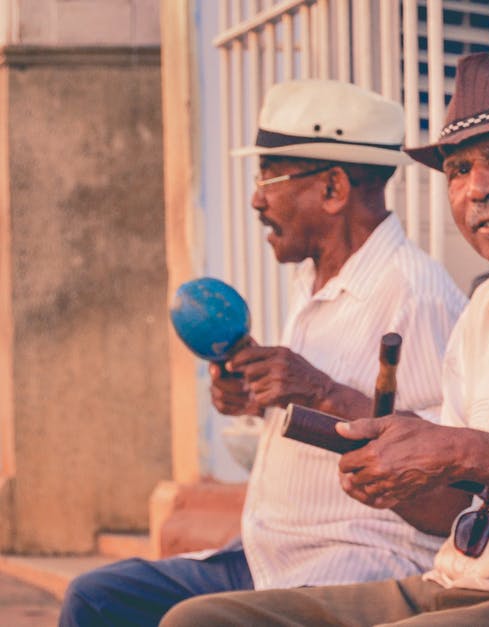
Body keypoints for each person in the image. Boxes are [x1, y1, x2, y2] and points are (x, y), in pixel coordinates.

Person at [159, 52, 489, 627]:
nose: (477, 188)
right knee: (200, 621)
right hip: (456, 580)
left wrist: (464, 449)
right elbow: (453, 507)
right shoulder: (484, 308)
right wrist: (394, 479)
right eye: (459, 169)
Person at [60, 79, 466, 626]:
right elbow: (316, 401)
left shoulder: (416, 295)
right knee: (97, 598)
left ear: (334, 189)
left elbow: (450, 483)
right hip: (265, 553)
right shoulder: (313, 279)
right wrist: (259, 395)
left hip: (355, 561)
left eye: (269, 176)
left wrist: (318, 390)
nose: (256, 198)